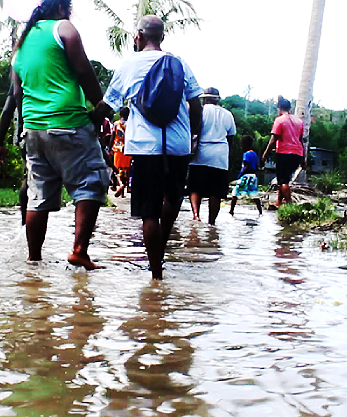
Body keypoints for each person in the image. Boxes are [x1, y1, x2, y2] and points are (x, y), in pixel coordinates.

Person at [10, 0, 110, 269]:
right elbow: (82, 69)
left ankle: (34, 259)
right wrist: (99, 104)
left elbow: (18, 94)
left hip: (34, 129)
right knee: (90, 183)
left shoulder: (22, 43)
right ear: (62, 8)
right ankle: (79, 251)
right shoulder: (64, 28)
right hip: (68, 123)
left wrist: (26, 127)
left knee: (38, 195)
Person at [98, 15, 203, 280]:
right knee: (172, 199)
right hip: (178, 144)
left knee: (149, 213)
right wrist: (194, 136)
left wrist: (87, 123)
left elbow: (107, 105)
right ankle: (161, 249)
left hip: (144, 147)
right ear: (162, 37)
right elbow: (196, 104)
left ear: (139, 36)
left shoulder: (128, 65)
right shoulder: (179, 63)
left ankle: (156, 274)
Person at [188, 87, 236, 225]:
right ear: (217, 99)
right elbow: (230, 137)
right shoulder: (227, 114)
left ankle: (196, 215)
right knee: (216, 192)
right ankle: (212, 222)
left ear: (204, 99)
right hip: (219, 157)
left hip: (200, 154)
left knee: (195, 187)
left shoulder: (199, 112)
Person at [261, 96, 305, 207]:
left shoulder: (279, 120)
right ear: (290, 108)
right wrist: (304, 158)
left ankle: (290, 205)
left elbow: (273, 140)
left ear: (279, 108)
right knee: (285, 179)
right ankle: (278, 203)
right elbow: (301, 140)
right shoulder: (299, 121)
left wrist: (265, 155)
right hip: (297, 153)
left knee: (283, 181)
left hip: (284, 153)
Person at [0, 81, 28, 225]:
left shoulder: (23, 70)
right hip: (62, 128)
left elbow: (7, 110)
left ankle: (24, 226)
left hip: (28, 133)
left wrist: (0, 143)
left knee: (29, 181)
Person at [229, 135, 263, 216]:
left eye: (242, 145)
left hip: (245, 176)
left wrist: (240, 175)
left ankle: (231, 210)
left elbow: (245, 166)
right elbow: (257, 167)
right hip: (253, 176)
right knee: (254, 194)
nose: (241, 147)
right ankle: (260, 211)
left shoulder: (246, 154)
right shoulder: (254, 154)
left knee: (235, 193)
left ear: (245, 145)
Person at [110, 107, 131, 198]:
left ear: (120, 114)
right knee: (126, 170)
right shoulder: (130, 124)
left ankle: (121, 184)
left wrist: (109, 147)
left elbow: (112, 136)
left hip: (118, 149)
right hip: (128, 149)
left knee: (117, 169)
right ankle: (123, 191)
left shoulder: (116, 124)